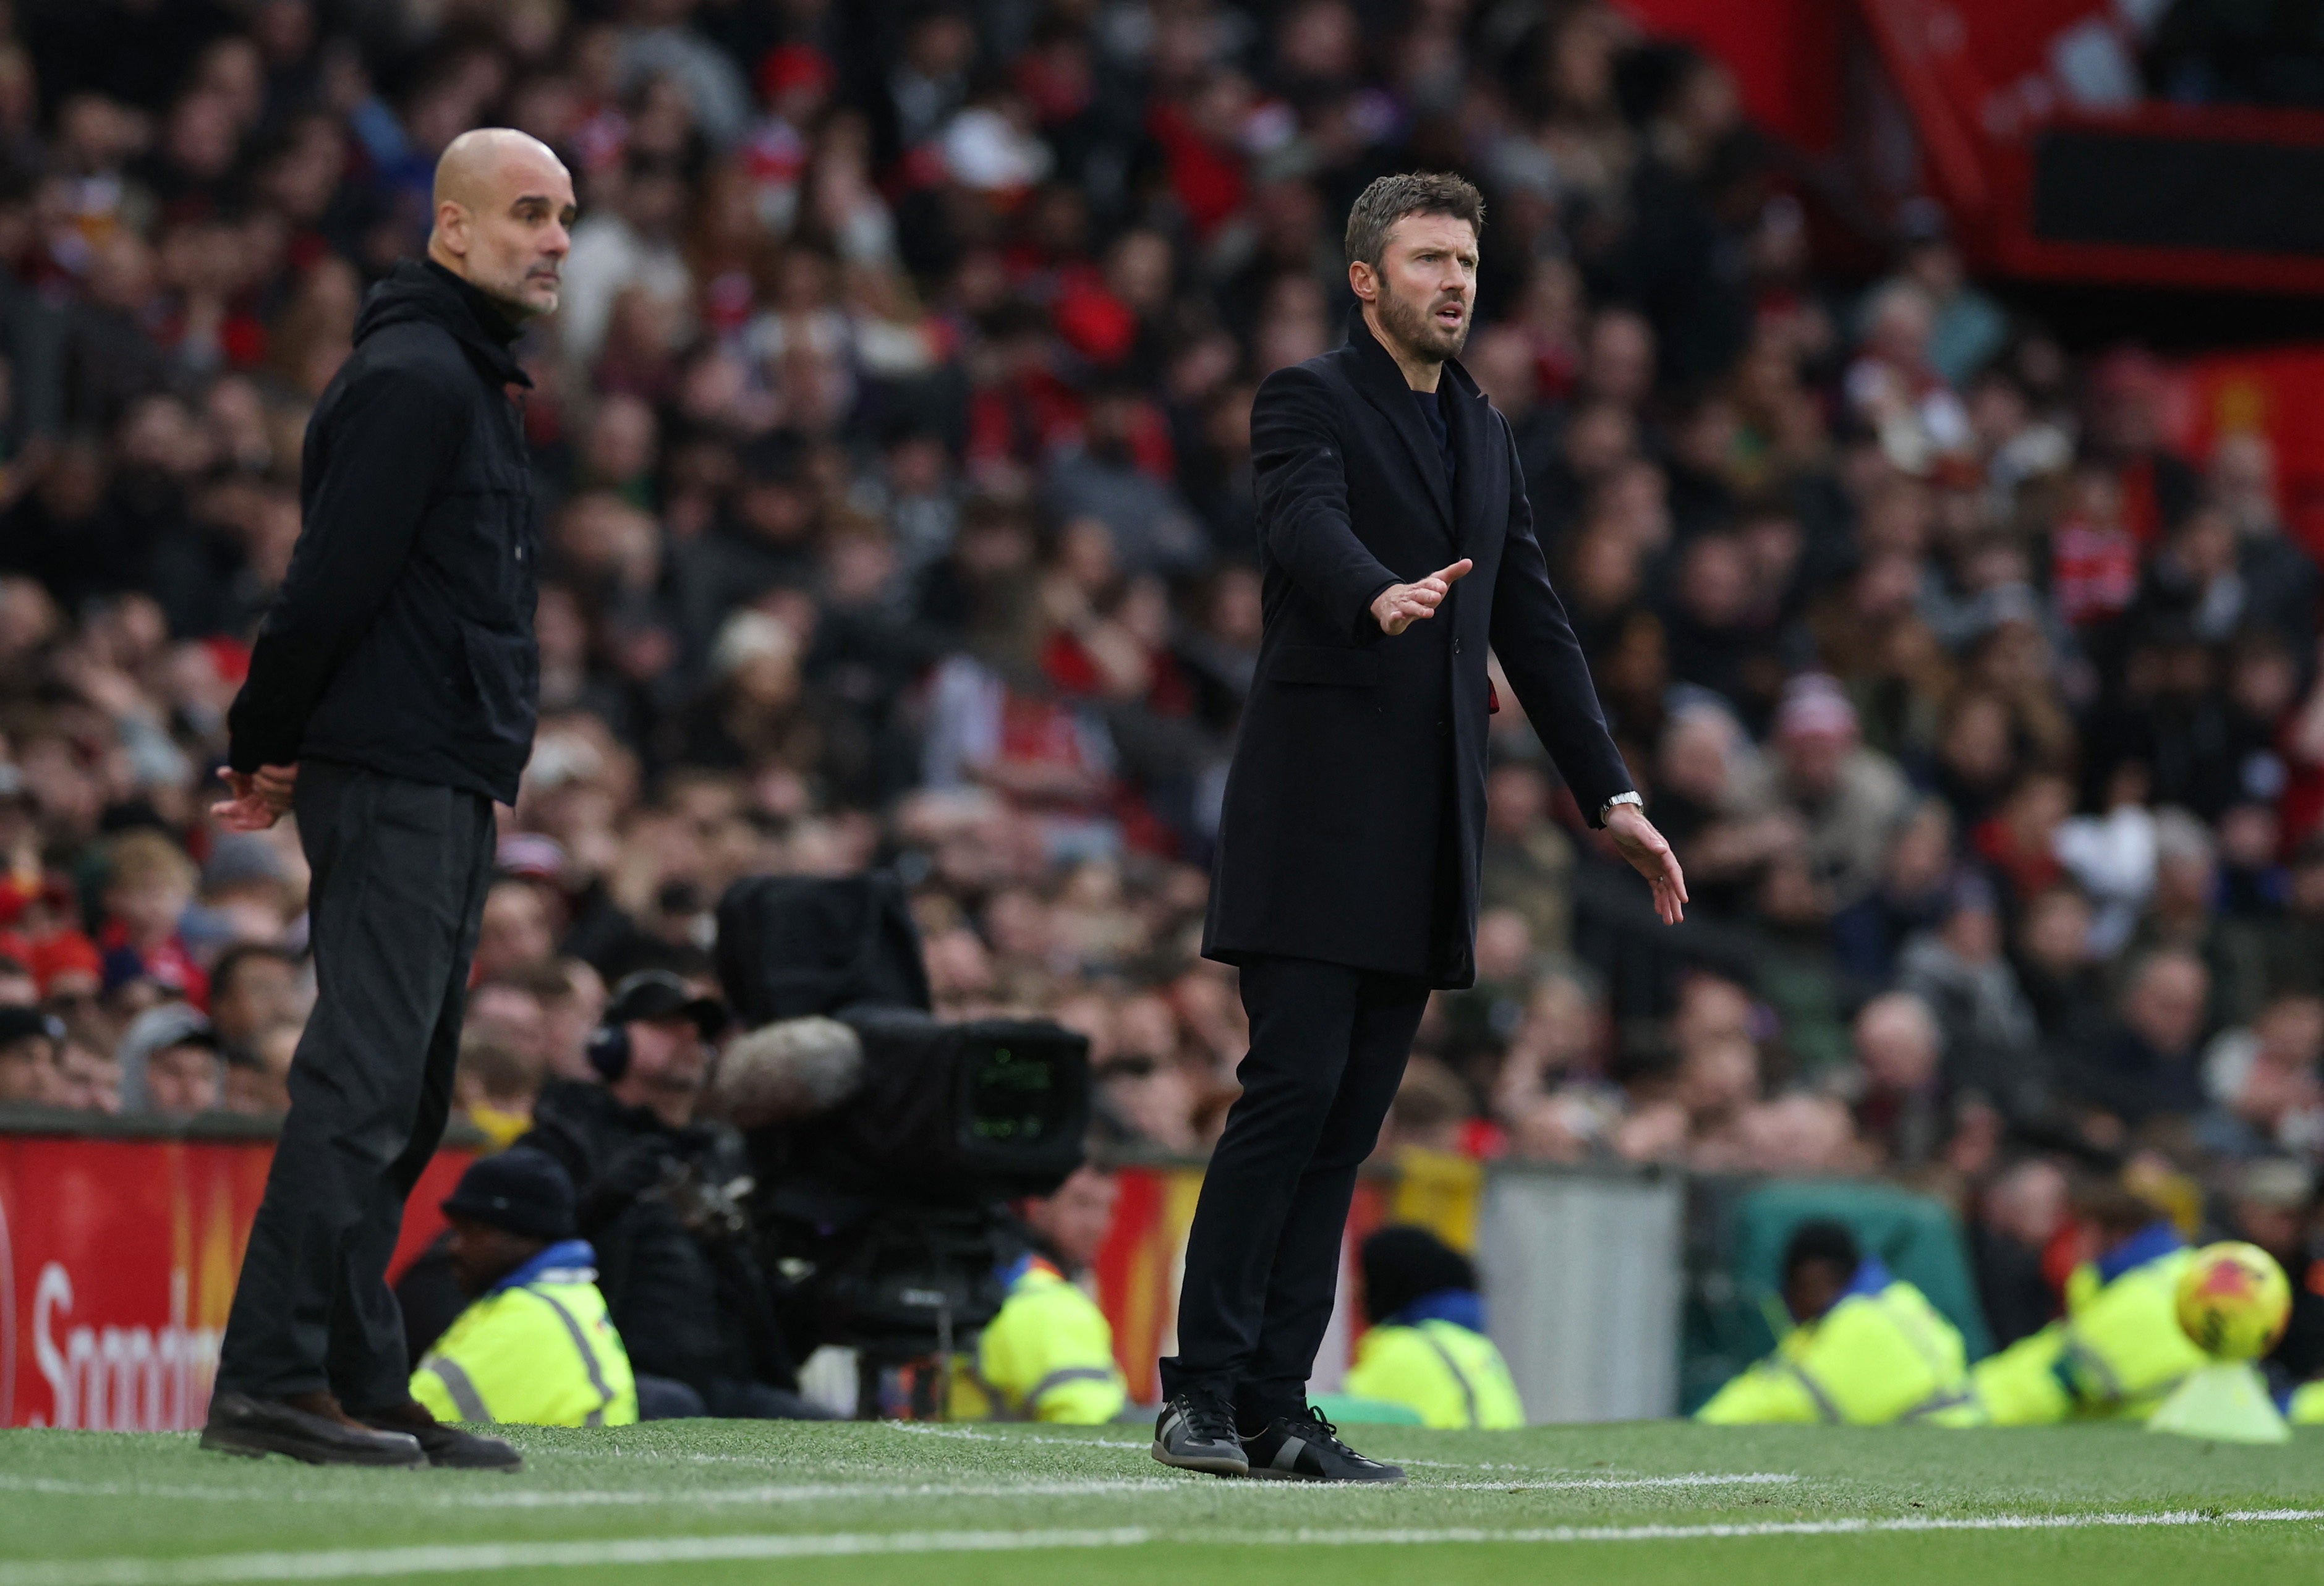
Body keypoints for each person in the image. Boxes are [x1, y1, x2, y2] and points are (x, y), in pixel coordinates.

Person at [1161, 172, 1687, 1485]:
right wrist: (1374, 592)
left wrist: (1608, 793)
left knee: (1346, 1121)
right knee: (1285, 1095)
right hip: (1313, 812)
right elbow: (1300, 523)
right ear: (1364, 279)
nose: (1454, 282)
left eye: (1465, 259)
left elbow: (1534, 619)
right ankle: (1200, 1393)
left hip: (1425, 828)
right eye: (1426, 260)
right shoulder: (1305, 399)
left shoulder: (1483, 429)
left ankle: (1278, 1402)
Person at [200, 129, 575, 1472]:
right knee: (362, 1082)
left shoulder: (462, 380)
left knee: (407, 1093)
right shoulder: (417, 379)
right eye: (528, 212)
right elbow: (326, 582)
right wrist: (266, 739)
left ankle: (357, 1376)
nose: (556, 239)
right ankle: (272, 1377)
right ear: (453, 228)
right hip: (402, 773)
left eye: (566, 216)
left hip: (443, 771)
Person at [521, 971, 825, 1421]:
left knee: (825, 1431)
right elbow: (519, 1257)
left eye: (699, 1031)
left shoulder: (725, 1153)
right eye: (665, 1026)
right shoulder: (564, 1140)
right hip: (613, 1373)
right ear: (609, 1042)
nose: (689, 1038)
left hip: (730, 1381)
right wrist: (605, 1199)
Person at [411, 1151, 639, 1430]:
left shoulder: (528, 1319)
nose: (454, 1246)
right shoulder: (564, 1296)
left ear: (527, 1234)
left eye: (473, 1230)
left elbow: (405, 1428)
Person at [1961, 1184, 2205, 1424]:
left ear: (2111, 1234)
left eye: (2077, 1232)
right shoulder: (2179, 1273)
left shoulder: (2137, 1299)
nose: (2070, 1245)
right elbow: (2051, 1348)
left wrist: (1957, 1407)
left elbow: (2051, 1381)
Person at [1696, 1219, 1972, 1425]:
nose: (1788, 1303)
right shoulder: (1902, 1299)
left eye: (1792, 1290)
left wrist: (1702, 1425)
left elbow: (1782, 1398)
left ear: (1814, 1280)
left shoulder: (1857, 1325)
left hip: (1925, 1450)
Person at [951, 1164, 1130, 1425]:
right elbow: (1093, 1423)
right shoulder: (1049, 1303)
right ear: (1036, 1204)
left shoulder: (989, 1273)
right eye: (1082, 1204)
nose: (1097, 1225)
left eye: (1109, 1209)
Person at [1342, 1226, 1525, 1430]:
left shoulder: (1402, 1348)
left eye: (1363, 1277)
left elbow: (1336, 1424)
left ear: (1388, 1282)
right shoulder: (1475, 1344)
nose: (1355, 1290)